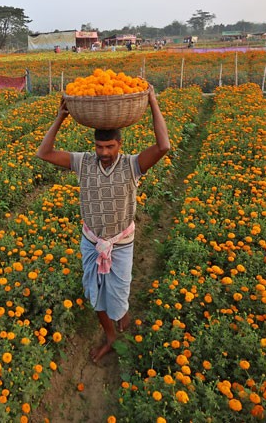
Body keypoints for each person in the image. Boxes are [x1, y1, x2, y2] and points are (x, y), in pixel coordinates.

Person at [36, 90, 170, 363]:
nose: (104, 153)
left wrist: (153, 103)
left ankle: (122, 311)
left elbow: (163, 146)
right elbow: (44, 152)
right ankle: (110, 336)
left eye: (110, 147)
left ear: (120, 144)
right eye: (100, 147)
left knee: (119, 289)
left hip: (120, 244)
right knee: (94, 292)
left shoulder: (133, 165)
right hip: (92, 241)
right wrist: (60, 118)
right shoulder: (83, 162)